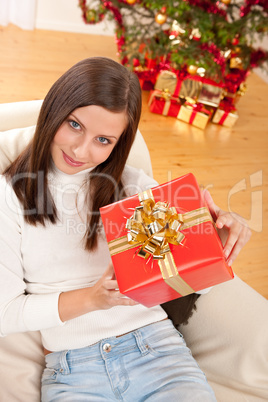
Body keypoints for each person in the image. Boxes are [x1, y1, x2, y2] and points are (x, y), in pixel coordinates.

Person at [0, 57, 251, 401]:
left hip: (159, 353)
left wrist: (214, 245)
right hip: (73, 371)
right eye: (74, 124)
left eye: (103, 140)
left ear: (119, 143)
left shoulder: (134, 188)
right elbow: (6, 312)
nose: (80, 149)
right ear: (53, 111)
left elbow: (187, 283)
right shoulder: (10, 195)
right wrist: (92, 299)